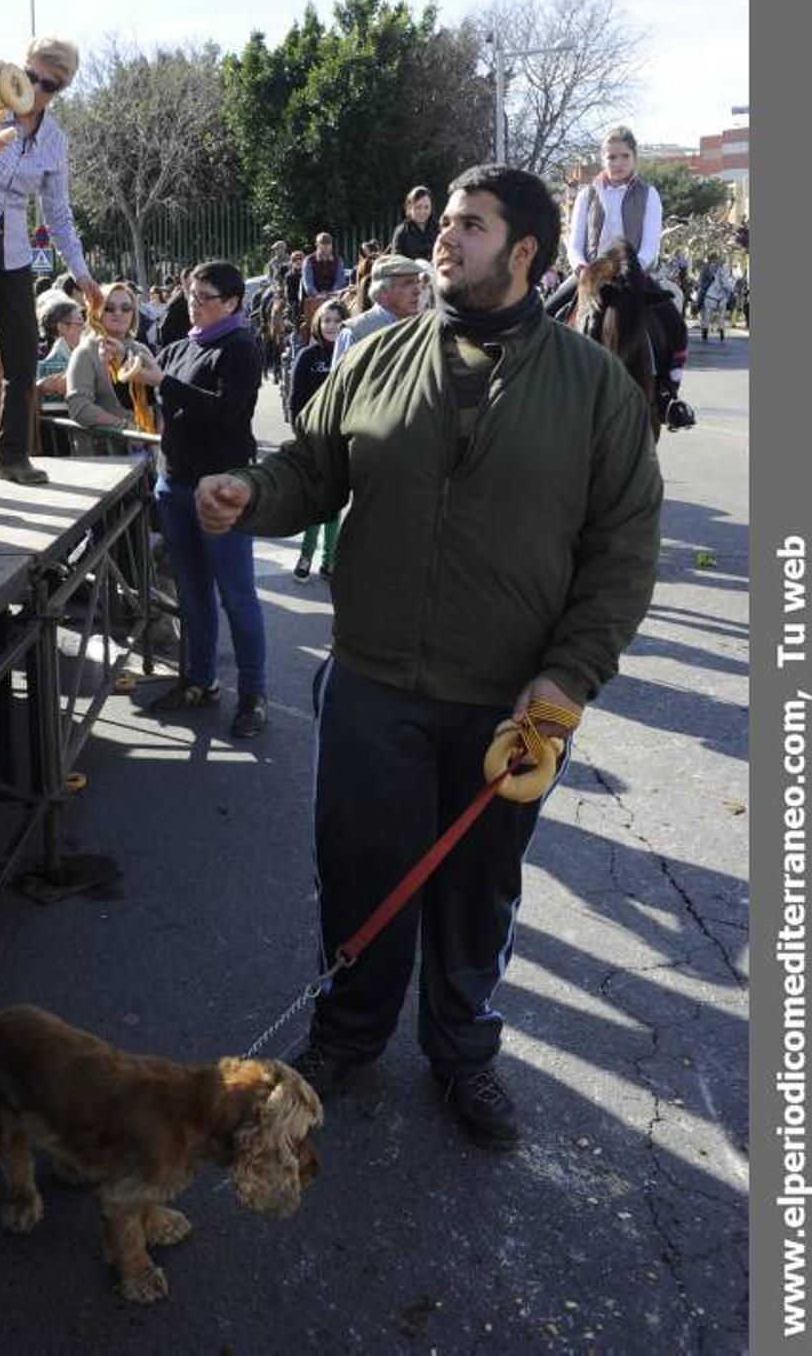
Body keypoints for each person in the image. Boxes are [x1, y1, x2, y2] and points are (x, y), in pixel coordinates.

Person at [195, 165, 662, 1148]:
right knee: (359, 872)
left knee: (476, 894)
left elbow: (623, 553)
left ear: (526, 251)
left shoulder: (597, 390)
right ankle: (348, 1038)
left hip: (510, 703)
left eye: (471, 227)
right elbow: (311, 469)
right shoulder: (373, 358)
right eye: (445, 223)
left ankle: (463, 1056)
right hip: (371, 681)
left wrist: (569, 676)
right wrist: (250, 492)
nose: (444, 241)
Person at [123, 262, 268, 742]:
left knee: (237, 595)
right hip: (175, 483)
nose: (193, 301)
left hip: (221, 487)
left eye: (205, 295)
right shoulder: (181, 345)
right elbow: (168, 405)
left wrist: (163, 381)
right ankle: (199, 681)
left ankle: (254, 694)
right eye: (190, 292)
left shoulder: (241, 348)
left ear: (232, 302)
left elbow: (226, 412)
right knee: (192, 592)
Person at [0, 36, 97, 485]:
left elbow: (59, 214)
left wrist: (81, 274)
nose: (38, 88)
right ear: (21, 66)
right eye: (32, 77)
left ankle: (12, 455)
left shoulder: (55, 142)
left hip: (12, 248)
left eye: (51, 85)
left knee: (23, 354)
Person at [286, 299, 346, 581]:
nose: (331, 326)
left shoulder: (351, 354)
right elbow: (295, 400)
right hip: (313, 438)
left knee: (334, 502)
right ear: (318, 324)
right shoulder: (308, 356)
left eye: (337, 320)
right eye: (327, 320)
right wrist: (301, 435)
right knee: (315, 499)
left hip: (342, 439)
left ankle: (330, 559)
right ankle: (306, 555)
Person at [566, 126, 663, 278]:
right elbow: (574, 247)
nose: (618, 163)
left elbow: (650, 247)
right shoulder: (585, 195)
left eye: (625, 156)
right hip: (591, 276)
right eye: (612, 157)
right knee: (552, 302)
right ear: (603, 160)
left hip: (635, 275)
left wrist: (631, 270)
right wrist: (582, 269)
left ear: (634, 158)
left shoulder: (649, 195)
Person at [66, 282, 155, 433]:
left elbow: (157, 401)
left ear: (133, 313)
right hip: (107, 450)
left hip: (150, 445)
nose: (118, 313)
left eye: (126, 308)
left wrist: (158, 436)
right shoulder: (85, 353)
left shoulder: (141, 350)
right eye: (109, 308)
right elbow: (79, 408)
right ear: (97, 312)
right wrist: (126, 427)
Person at [332, 254, 432, 363]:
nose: (417, 291)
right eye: (407, 283)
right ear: (383, 291)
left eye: (417, 282)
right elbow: (341, 379)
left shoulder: (424, 326)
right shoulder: (355, 332)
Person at [389, 185, 438, 262]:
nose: (422, 212)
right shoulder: (401, 232)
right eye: (418, 207)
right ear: (410, 208)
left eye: (426, 207)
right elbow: (396, 262)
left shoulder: (438, 230)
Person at [697, 253, 734, 342]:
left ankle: (730, 306)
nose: (715, 260)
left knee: (730, 294)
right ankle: (699, 304)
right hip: (707, 284)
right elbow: (702, 278)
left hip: (719, 284)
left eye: (716, 259)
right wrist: (711, 277)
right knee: (702, 292)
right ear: (710, 259)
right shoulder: (705, 267)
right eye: (714, 259)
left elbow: (724, 276)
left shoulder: (719, 267)